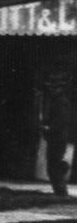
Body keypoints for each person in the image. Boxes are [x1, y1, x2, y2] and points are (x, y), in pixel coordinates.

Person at [42, 63, 74, 197]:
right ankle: (60, 192)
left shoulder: (61, 102)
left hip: (58, 137)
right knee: (54, 165)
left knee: (53, 166)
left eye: (55, 88)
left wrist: (49, 128)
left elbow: (61, 121)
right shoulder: (57, 101)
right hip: (55, 137)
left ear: (60, 89)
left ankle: (61, 193)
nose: (52, 90)